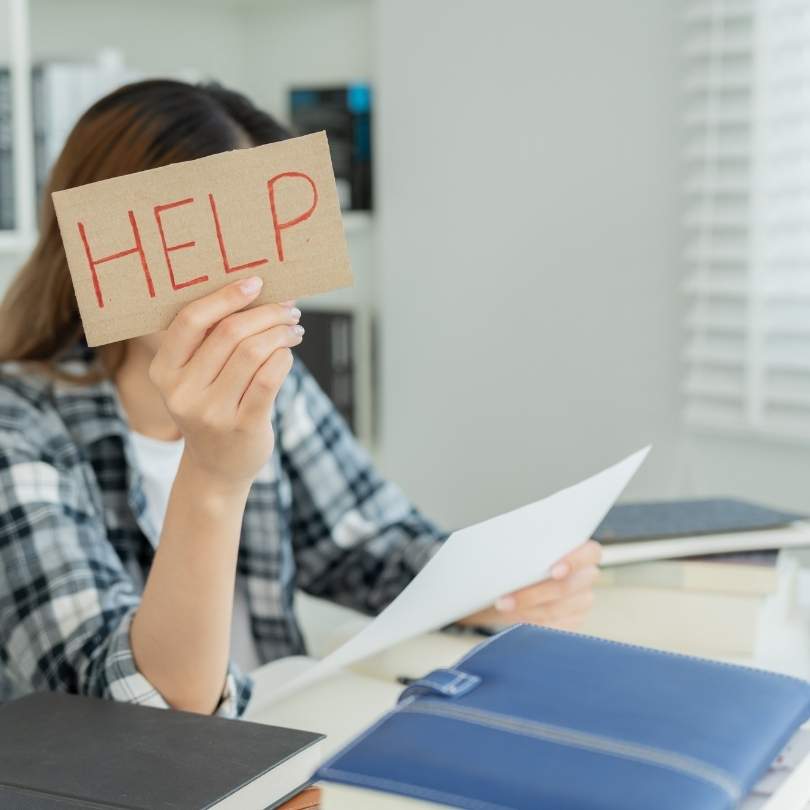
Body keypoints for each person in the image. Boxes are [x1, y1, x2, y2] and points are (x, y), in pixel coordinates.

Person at [0, 80, 601, 716]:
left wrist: (497, 584)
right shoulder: (18, 426)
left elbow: (368, 545)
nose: (231, 280)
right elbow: (137, 717)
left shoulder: (269, 383)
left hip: (289, 739)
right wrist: (214, 472)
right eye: (196, 241)